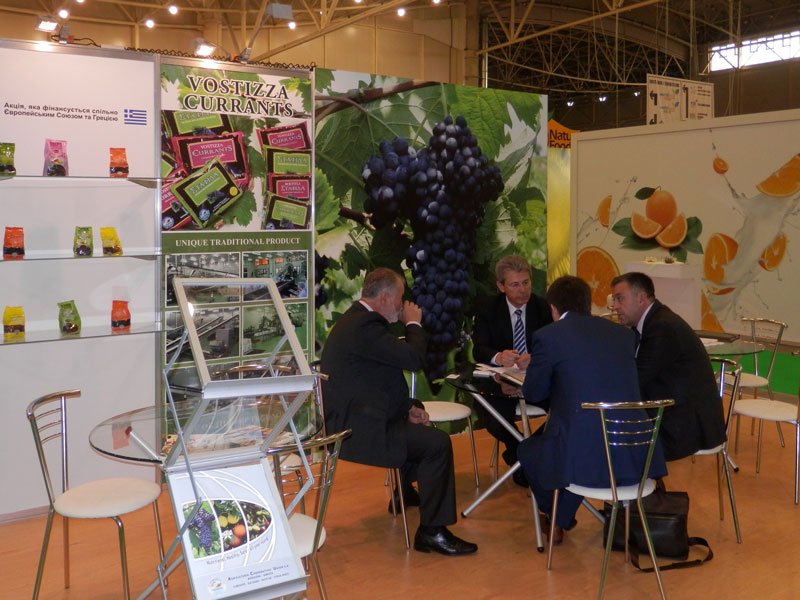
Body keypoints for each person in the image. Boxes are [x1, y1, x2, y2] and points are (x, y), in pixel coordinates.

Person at [321, 267, 477, 556]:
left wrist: (407, 408)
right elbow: (412, 358)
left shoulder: (357, 320)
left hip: (360, 418)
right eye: (400, 297)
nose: (403, 305)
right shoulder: (365, 325)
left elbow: (374, 381)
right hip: (357, 430)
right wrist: (413, 323)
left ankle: (404, 493)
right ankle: (432, 532)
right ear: (384, 297)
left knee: (418, 430)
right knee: (437, 444)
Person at [517, 275, 667, 544]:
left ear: (553, 308)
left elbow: (534, 393)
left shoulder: (548, 336)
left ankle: (555, 516)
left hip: (586, 459)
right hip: (635, 453)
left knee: (529, 450)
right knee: (579, 438)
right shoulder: (624, 335)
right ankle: (560, 519)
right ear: (588, 304)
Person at [610, 272, 726, 461]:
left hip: (687, 424)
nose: (615, 306)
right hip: (675, 410)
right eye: (614, 300)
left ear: (641, 298)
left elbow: (635, 380)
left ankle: (633, 480)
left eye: (619, 298)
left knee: (611, 435)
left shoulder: (662, 328)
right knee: (612, 427)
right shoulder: (652, 322)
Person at [471, 255, 552, 484]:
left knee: (565, 410)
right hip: (500, 381)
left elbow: (554, 347)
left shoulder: (543, 307)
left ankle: (525, 454)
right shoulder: (488, 308)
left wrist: (535, 358)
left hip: (536, 379)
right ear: (501, 286)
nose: (522, 290)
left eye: (526, 282)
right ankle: (521, 454)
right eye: (515, 284)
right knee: (494, 419)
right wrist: (498, 357)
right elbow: (479, 349)